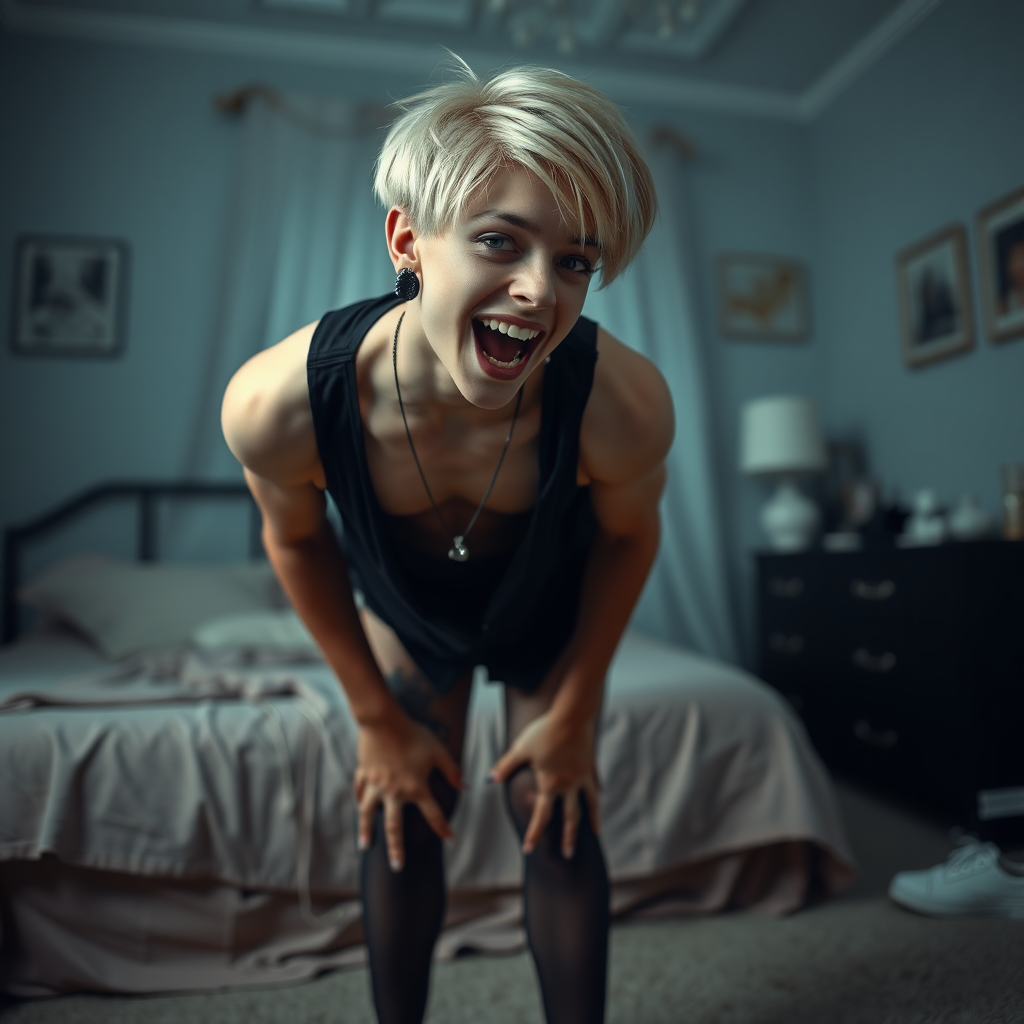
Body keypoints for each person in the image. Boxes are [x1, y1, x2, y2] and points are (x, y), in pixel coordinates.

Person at [221, 58, 671, 1024]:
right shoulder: (281, 402)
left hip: (547, 599)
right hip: (407, 605)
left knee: (554, 811)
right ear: (409, 240)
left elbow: (630, 538)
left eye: (575, 261)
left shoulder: (624, 404)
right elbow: (297, 543)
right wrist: (373, 718)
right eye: (500, 242)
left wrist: (579, 706)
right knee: (403, 810)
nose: (538, 292)